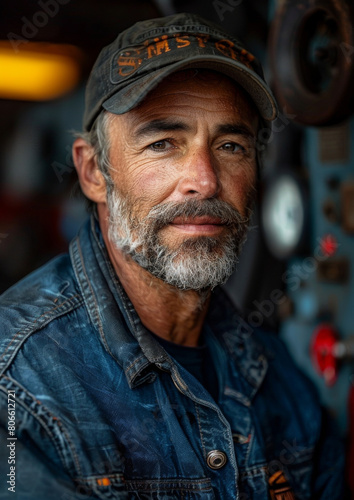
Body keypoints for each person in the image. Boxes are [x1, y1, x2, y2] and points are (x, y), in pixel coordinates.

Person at [0, 12, 345, 500]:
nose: (204, 180)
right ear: (94, 171)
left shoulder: (280, 382)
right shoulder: (18, 388)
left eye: (229, 145)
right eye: (163, 143)